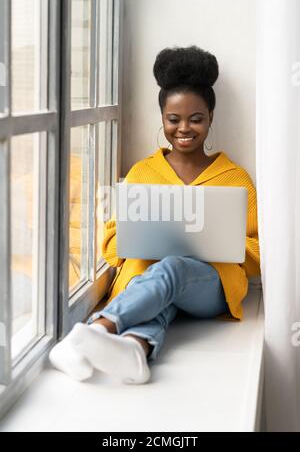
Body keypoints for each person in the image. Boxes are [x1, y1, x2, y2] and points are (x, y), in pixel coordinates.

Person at [49, 46, 260, 385]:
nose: (184, 128)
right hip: (149, 279)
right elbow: (112, 247)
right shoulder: (143, 173)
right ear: (162, 119)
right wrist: (145, 237)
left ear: (210, 118)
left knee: (174, 265)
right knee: (162, 288)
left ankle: (92, 332)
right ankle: (135, 348)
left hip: (210, 285)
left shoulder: (235, 178)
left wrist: (215, 241)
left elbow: (258, 253)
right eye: (173, 119)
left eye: (196, 119)